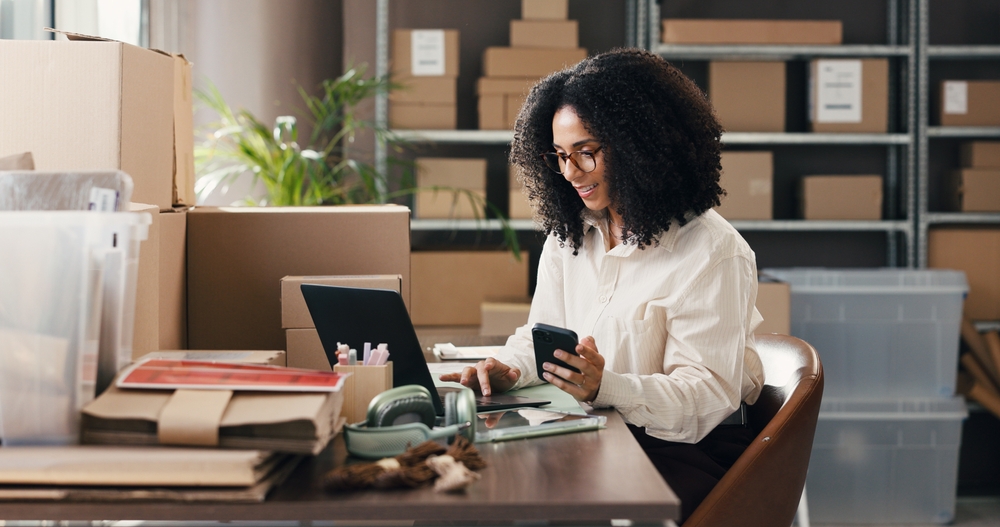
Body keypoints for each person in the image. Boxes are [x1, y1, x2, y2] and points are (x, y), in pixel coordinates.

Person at [439, 48, 764, 523]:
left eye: (586, 153)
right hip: (592, 432)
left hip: (677, 455)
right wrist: (510, 367)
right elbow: (542, 341)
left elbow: (704, 401)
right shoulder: (571, 236)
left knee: (506, 493)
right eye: (560, 157)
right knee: (454, 487)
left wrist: (604, 386)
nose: (570, 173)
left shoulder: (714, 252)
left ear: (642, 146)